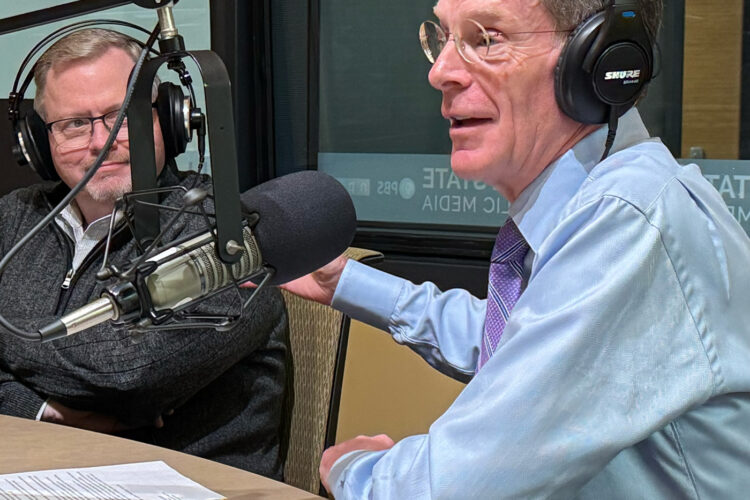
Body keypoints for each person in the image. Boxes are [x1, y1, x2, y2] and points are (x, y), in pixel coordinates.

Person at [281, 0, 750, 497]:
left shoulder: (628, 218)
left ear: (600, 61)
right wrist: (346, 283)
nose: (440, 72)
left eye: (488, 39)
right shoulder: (599, 200)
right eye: (442, 37)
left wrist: (353, 468)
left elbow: (450, 488)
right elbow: (517, 344)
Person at [0, 29, 289, 480]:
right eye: (74, 123)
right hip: (38, 474)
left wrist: (13, 350)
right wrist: (38, 408)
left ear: (172, 120)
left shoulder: (224, 230)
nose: (101, 141)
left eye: (122, 115)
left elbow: (127, 374)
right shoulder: (16, 218)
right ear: (38, 143)